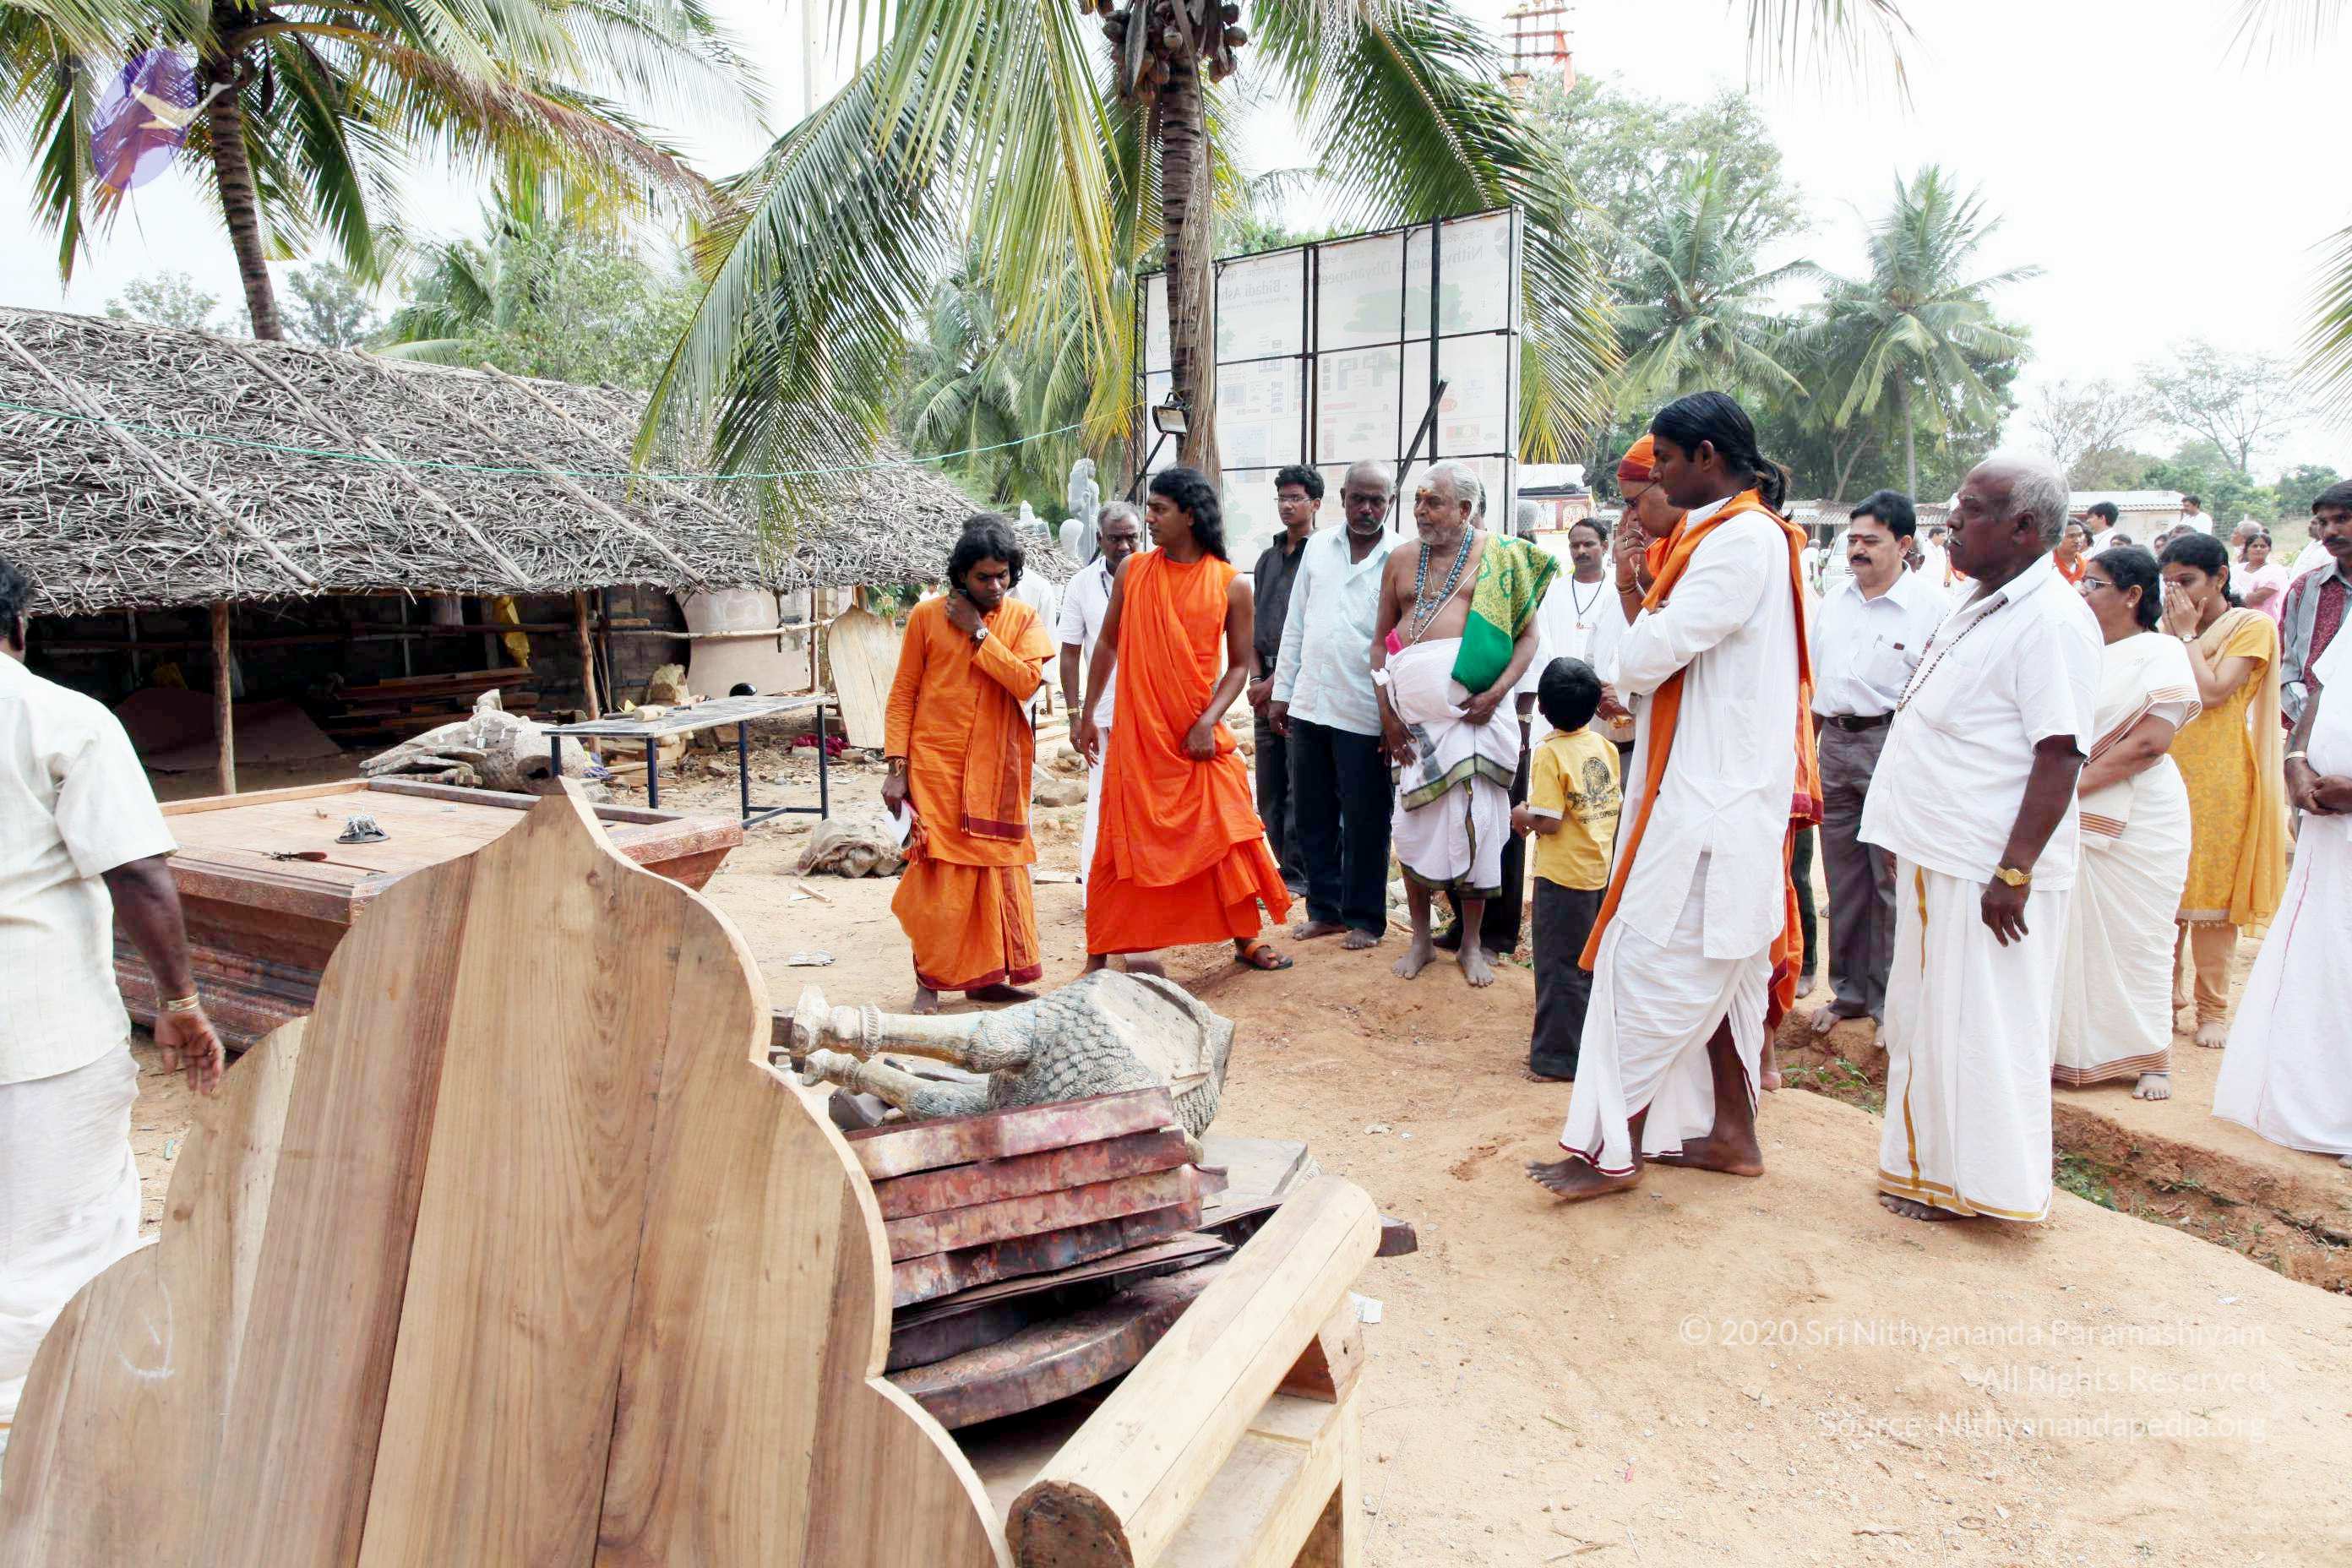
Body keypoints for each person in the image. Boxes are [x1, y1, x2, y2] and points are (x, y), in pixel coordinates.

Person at [1528, 393, 1815, 1200]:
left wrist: (1634, 601)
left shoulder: (1741, 540)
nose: (1655, 481)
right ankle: (1732, 1137)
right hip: (1716, 793)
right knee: (1720, 977)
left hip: (1708, 804)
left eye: (1665, 463)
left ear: (1709, 457)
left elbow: (1651, 652)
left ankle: (1605, 1153)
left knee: (1646, 969)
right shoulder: (1726, 534)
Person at [2, 558, 224, 1430]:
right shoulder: (59, 718)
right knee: (60, 1244)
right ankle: (37, 1427)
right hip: (41, 1031)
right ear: (19, 628)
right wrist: (181, 1000)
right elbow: (135, 872)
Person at [1861, 453, 2099, 1222]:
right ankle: (1933, 1172)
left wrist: (2015, 872)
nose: (1952, 520)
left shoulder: (2052, 619)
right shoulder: (1981, 599)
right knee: (1930, 1018)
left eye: (1970, 508)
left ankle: (1979, 1187)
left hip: (1988, 867)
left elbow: (2059, 752)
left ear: (2023, 527)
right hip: (1944, 851)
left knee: (1982, 1029)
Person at [1077, 467, 1293, 972]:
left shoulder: (1231, 583)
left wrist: (1207, 721)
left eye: (1159, 510)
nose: (1149, 519)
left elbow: (1238, 666)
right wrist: (1086, 713)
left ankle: (1245, 937)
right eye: (1149, 509)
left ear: (1190, 516)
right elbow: (1106, 642)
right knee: (1122, 837)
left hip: (1196, 731)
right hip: (1139, 734)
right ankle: (1100, 952)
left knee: (1226, 826)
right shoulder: (1133, 572)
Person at [1375, 460, 1554, 987]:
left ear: (1466, 509)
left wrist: (1496, 694)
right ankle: (1421, 939)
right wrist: (1387, 716)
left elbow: (1528, 640)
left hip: (1478, 719)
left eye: (1433, 502)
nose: (1420, 510)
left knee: (1478, 825)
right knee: (1412, 826)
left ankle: (1472, 943)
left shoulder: (1501, 559)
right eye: (1417, 500)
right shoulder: (1400, 559)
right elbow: (1379, 642)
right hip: (1413, 728)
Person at [882, 516, 1057, 1015]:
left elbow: (1025, 682)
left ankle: (987, 979)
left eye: (1003, 575)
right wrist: (896, 769)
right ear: (961, 574)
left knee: (997, 875)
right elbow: (904, 693)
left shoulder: (1021, 618)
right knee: (939, 880)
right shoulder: (925, 616)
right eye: (984, 577)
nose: (995, 586)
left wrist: (979, 633)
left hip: (998, 770)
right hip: (934, 766)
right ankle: (929, 981)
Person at [2053, 547, 2201, 1100]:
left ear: (2133, 595)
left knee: (2140, 937)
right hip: (2074, 806)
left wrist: (2066, 791)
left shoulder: (2160, 652)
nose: (2082, 593)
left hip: (2142, 812)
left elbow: (2149, 744)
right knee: (2070, 934)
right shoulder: (2079, 651)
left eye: (2094, 584)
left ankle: (2151, 1058)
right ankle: (2068, 1053)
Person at [1807, 489, 1945, 1040]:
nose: (1857, 550)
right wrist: (1807, 752)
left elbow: (1936, 700)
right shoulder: (1834, 602)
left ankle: (1891, 1002)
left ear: (1904, 544)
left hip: (1895, 744)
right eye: (1853, 540)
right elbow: (1818, 687)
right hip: (1834, 746)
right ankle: (1850, 994)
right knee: (1843, 878)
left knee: (1890, 877)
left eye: (1872, 540)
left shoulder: (1932, 609)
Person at [2213, 629, 2352, 1164]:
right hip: (2328, 829)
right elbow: (2323, 688)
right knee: (2326, 965)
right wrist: (2296, 761)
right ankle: (2322, 1108)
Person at [2159, 531, 2288, 1049]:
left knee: (2213, 896)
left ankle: (2212, 1009)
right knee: (2162, 893)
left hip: (2223, 774)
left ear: (2220, 578)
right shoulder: (2163, 626)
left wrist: (2186, 636)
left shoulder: (2251, 626)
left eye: (2187, 581)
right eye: (2168, 583)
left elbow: (2212, 692)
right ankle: (2163, 1003)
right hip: (2165, 765)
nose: (2177, 593)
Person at [1271, 460, 1396, 950]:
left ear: (1390, 502)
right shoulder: (1319, 547)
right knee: (1312, 814)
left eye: (1377, 500)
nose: (1367, 509)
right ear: (1342, 498)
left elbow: (1401, 641)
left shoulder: (1401, 555)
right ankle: (1324, 910)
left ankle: (1365, 918)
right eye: (1358, 498)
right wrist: (1283, 693)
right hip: (1311, 702)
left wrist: (1394, 716)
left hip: (1366, 709)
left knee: (1367, 818)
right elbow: (1295, 624)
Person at [1517, 657, 1621, 1081]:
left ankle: (1557, 1059)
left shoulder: (1549, 754)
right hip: (1597, 870)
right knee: (1586, 964)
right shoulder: (1603, 747)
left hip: (1562, 877)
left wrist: (1521, 815)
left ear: (1542, 707)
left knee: (1558, 966)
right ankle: (1586, 1049)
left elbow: (1549, 820)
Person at [1058, 502, 1146, 901]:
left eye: (1131, 537)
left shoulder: (1156, 575)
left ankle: (1150, 894)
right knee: (1102, 798)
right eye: (1115, 538)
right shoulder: (1080, 584)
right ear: (1099, 538)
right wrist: (1075, 715)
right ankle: (1098, 894)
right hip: (1104, 713)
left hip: (1152, 711)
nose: (1124, 545)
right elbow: (1070, 651)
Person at [1250, 467, 1320, 895]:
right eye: (1282, 498)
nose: (1287, 505)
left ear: (1315, 504)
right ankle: (1282, 867)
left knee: (1300, 783)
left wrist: (1278, 682)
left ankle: (1299, 872)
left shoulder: (1322, 556)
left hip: (1302, 681)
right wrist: (1258, 677)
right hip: (1265, 682)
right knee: (1269, 785)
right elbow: (1253, 623)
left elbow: (1312, 630)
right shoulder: (1267, 559)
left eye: (1296, 498)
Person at [1528, 516, 1631, 749]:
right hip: (1559, 700)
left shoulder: (1620, 591)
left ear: (1605, 546)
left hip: (1602, 701)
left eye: (1588, 544)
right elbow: (1542, 644)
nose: (1581, 551)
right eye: (1575, 546)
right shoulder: (1552, 591)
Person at [2279, 482, 2352, 727]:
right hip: (2310, 733)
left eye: (2342, 519)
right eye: (2322, 522)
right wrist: (2315, 726)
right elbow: (2288, 670)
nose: (2329, 531)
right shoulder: (2305, 589)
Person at [2238, 529, 2293, 623]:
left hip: (2262, 621)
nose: (2258, 549)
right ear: (2247, 549)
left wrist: (2232, 599)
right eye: (2254, 546)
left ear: (2269, 549)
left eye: (2263, 546)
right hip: (2236, 619)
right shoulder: (2236, 570)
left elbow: (2257, 599)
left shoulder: (2274, 571)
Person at [2053, 517, 2092, 585]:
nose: (2077, 540)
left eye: (2080, 535)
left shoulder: (2088, 565)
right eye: (2071, 536)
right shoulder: (2047, 563)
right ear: (2058, 537)